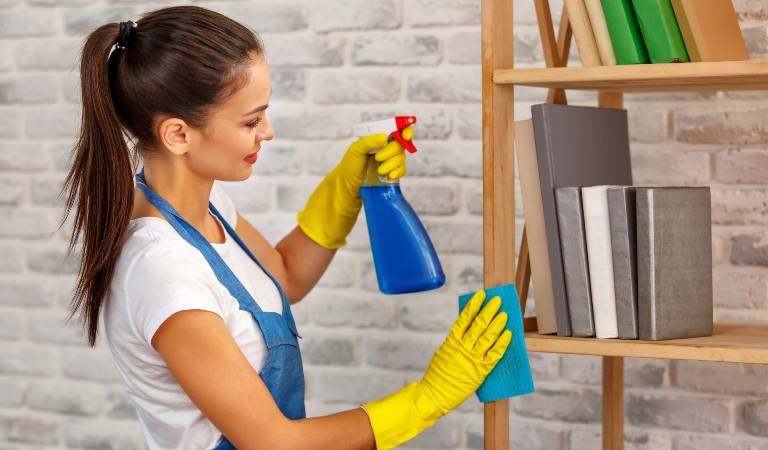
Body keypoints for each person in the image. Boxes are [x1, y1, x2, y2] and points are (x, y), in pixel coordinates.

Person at [60, 5, 512, 450]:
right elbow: (275, 443)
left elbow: (285, 274)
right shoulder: (163, 269)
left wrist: (346, 186)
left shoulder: (207, 203)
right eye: (251, 120)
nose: (268, 132)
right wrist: (426, 399)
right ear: (179, 135)